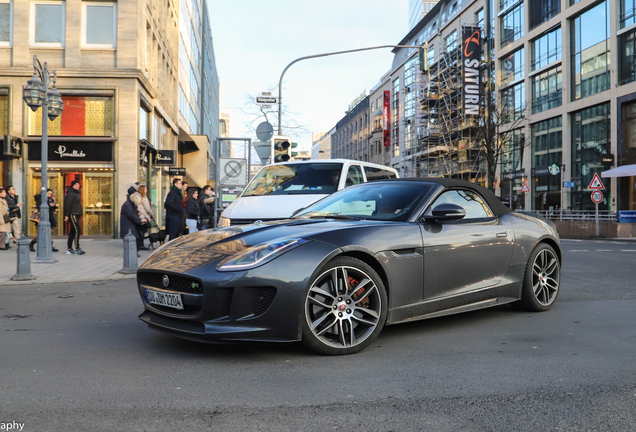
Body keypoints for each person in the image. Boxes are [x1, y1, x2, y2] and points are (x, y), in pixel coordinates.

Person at [120, 184, 148, 257]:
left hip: (130, 225)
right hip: (128, 226)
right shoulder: (128, 205)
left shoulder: (130, 204)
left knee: (137, 237)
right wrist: (140, 219)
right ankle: (132, 253)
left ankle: (134, 252)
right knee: (133, 238)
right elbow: (131, 215)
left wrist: (137, 214)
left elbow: (132, 213)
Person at [64, 180, 85, 255]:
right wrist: (66, 215)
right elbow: (67, 204)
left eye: (78, 185)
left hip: (76, 213)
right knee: (77, 230)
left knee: (72, 232)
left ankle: (69, 249)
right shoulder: (71, 194)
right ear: (72, 185)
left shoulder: (76, 193)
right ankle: (77, 248)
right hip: (73, 214)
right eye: (76, 185)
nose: (77, 186)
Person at [133, 184, 154, 250]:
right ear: (142, 190)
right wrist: (152, 214)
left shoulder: (134, 196)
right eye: (145, 189)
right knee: (142, 231)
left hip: (137, 216)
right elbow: (147, 208)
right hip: (143, 216)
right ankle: (140, 245)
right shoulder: (143, 197)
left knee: (139, 231)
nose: (146, 190)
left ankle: (138, 244)